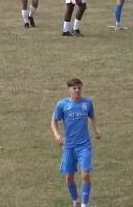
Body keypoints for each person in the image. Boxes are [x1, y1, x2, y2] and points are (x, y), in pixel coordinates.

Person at [51, 78, 102, 207]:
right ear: (69, 90)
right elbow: (54, 121)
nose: (77, 90)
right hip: (69, 146)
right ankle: (76, 200)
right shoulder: (62, 105)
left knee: (85, 174)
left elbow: (92, 116)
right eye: (75, 88)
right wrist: (57, 135)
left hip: (84, 145)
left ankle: (84, 204)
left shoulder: (87, 103)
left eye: (79, 88)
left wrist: (96, 130)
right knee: (69, 177)